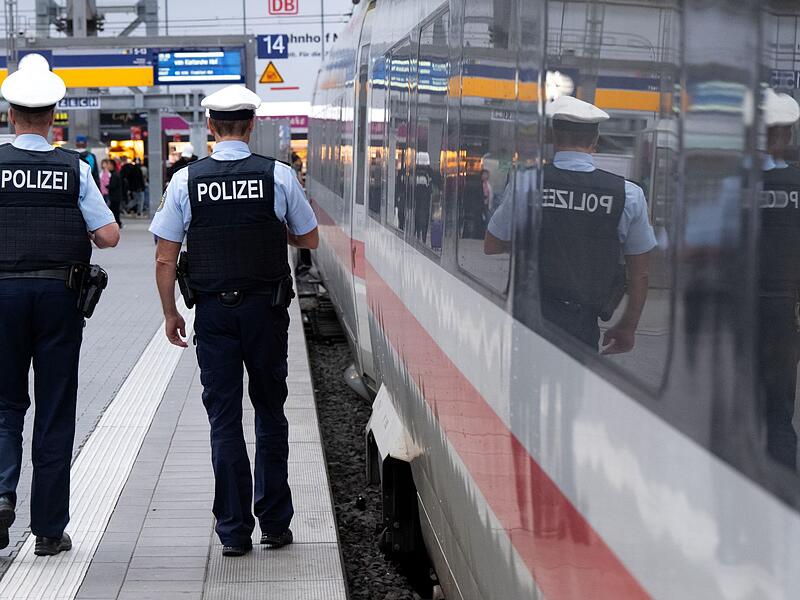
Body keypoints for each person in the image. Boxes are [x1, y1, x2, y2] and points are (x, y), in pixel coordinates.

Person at [150, 84, 319, 558]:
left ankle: (233, 531)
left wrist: (170, 313)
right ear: (251, 125)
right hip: (266, 311)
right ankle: (276, 524)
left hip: (214, 315)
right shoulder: (279, 177)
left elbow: (165, 257)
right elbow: (310, 240)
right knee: (270, 411)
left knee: (223, 419)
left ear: (210, 128)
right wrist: (270, 228)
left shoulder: (186, 181)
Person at [0, 55, 119, 557]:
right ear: (54, 116)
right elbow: (110, 236)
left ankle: (2, 492)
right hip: (59, 299)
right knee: (53, 410)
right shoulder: (74, 167)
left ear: (10, 115)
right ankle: (49, 530)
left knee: (4, 405)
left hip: (1, 297)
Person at [485, 95, 656, 353]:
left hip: (528, 319)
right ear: (595, 140)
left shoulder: (527, 184)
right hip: (581, 326)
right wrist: (627, 327)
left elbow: (492, 244)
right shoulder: (628, 195)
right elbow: (640, 273)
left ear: (554, 137)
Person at [758, 88, 800, 469]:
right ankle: (785, 499)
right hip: (785, 316)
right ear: (788, 135)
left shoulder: (732, 184)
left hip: (736, 315)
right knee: (778, 413)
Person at [105, 158, 124, 227]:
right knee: (115, 210)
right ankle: (117, 223)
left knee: (114, 210)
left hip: (115, 196)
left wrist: (107, 186)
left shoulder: (115, 175)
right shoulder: (115, 174)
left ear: (112, 165)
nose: (107, 166)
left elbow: (113, 185)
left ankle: (117, 223)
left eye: (109, 164)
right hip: (116, 196)